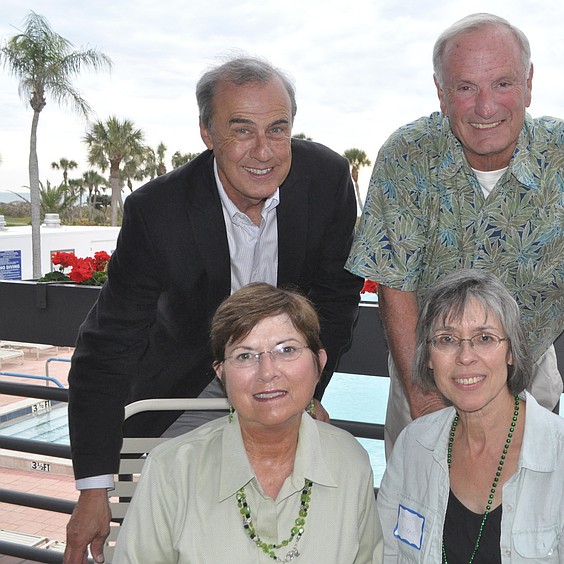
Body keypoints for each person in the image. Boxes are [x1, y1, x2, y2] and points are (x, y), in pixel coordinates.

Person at [65, 56, 363, 563]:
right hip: (185, 381)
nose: (264, 151)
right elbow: (108, 345)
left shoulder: (328, 179)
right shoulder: (157, 211)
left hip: (283, 372)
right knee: (159, 525)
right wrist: (93, 486)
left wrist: (312, 383)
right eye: (240, 130)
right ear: (206, 131)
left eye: (278, 129)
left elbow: (334, 298)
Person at [346, 13, 564, 456]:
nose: (485, 107)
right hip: (427, 373)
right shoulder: (407, 155)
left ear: (529, 84)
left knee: (530, 518)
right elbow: (396, 284)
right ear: (441, 93)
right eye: (465, 87)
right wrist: (425, 399)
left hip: (531, 379)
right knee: (420, 517)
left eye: (503, 84)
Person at [113, 283, 382, 562]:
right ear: (221, 373)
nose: (267, 372)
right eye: (245, 355)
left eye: (287, 350)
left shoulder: (351, 462)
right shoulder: (171, 468)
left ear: (319, 362)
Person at [378, 269, 564, 562]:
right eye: (447, 339)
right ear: (428, 358)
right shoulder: (413, 447)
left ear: (511, 351)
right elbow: (387, 554)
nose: (465, 356)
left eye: (484, 338)